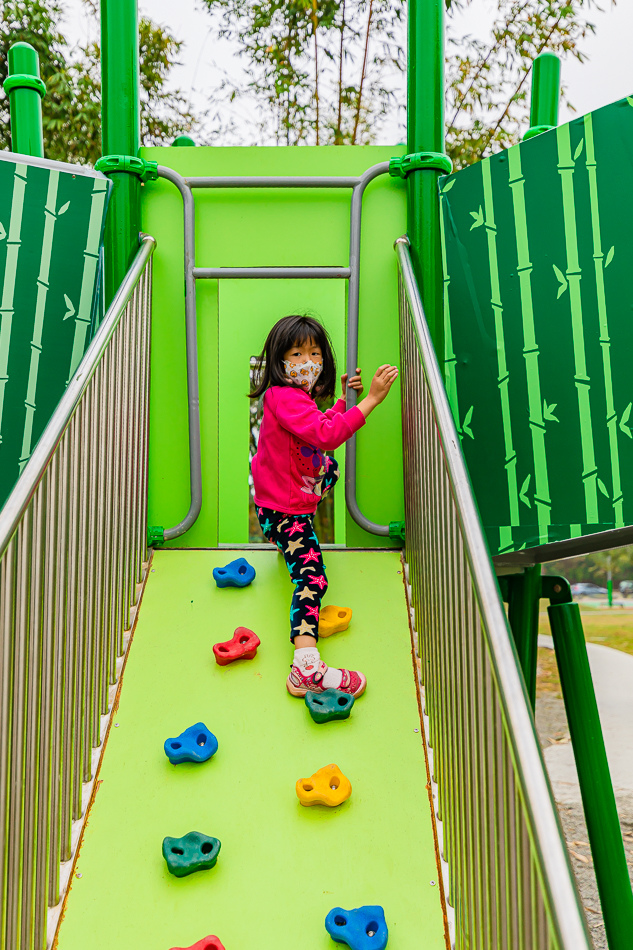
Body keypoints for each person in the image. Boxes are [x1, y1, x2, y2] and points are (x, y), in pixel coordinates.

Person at [249, 313, 398, 698]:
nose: (306, 362)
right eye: (296, 354)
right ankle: (306, 666)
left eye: (314, 353)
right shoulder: (283, 396)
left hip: (284, 501)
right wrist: (370, 401)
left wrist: (342, 402)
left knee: (325, 468)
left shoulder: (297, 400)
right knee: (313, 577)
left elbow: (317, 429)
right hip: (285, 512)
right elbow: (328, 435)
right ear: (280, 362)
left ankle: (285, 538)